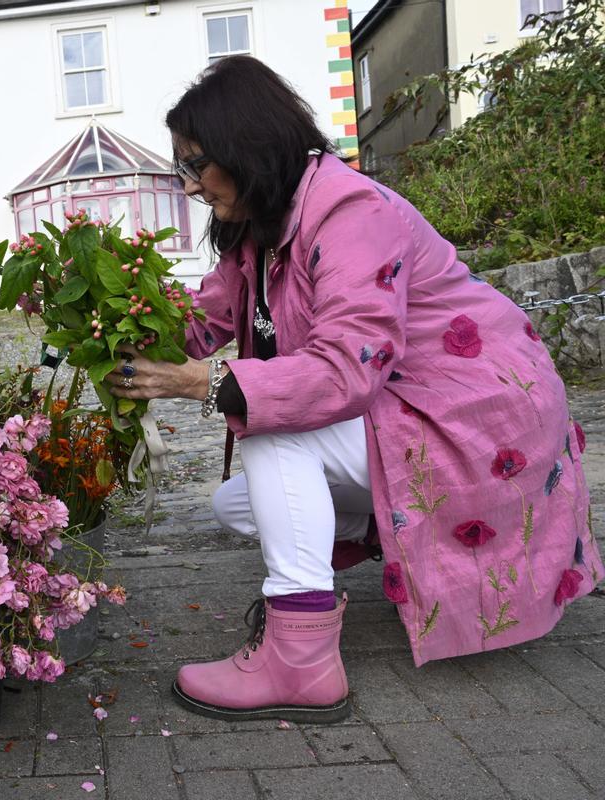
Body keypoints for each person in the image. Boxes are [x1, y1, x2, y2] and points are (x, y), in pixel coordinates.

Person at [106, 55, 601, 724]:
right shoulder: (263, 226)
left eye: (196, 165)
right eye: (182, 170)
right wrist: (112, 325)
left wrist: (205, 383)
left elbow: (345, 369)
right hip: (411, 410)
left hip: (478, 420)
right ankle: (403, 534)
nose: (190, 187)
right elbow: (206, 318)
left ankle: (301, 657)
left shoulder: (349, 212)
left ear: (244, 147)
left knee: (275, 431)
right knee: (238, 505)